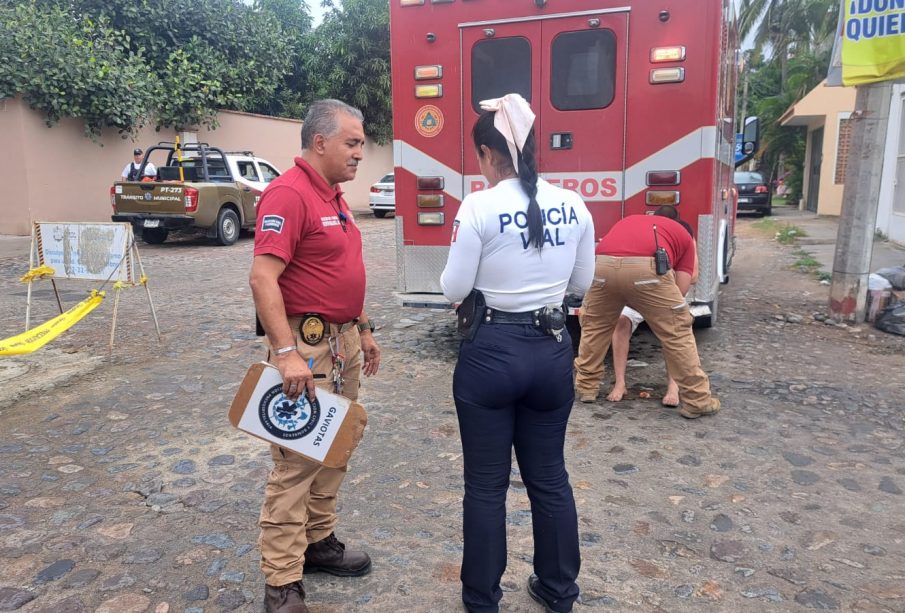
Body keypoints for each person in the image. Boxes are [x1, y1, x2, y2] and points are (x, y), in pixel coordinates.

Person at [440, 93, 595, 613]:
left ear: (486, 154)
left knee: (485, 486)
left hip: (491, 354)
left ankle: (482, 600)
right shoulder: (574, 204)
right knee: (550, 477)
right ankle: (558, 591)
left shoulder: (479, 206)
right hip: (550, 352)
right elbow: (582, 282)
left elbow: (452, 287)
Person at [248, 99, 381, 613]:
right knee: (298, 460)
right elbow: (263, 278)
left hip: (341, 342)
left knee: (337, 444)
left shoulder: (336, 195)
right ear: (319, 142)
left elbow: (343, 272)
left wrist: (364, 329)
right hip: (305, 349)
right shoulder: (289, 193)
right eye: (351, 144)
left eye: (361, 145)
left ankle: (318, 541)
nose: (358, 155)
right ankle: (281, 581)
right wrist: (285, 354)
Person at [573, 208, 719, 419]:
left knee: (595, 328)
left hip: (602, 264)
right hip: (646, 271)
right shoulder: (685, 236)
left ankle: (586, 388)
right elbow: (682, 288)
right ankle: (698, 400)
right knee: (677, 332)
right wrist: (659, 312)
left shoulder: (631, 220)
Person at [603, 212, 698, 407]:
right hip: (636, 293)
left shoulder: (684, 234)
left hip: (666, 294)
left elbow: (691, 277)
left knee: (672, 329)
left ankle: (674, 386)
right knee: (621, 321)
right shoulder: (637, 236)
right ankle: (620, 383)